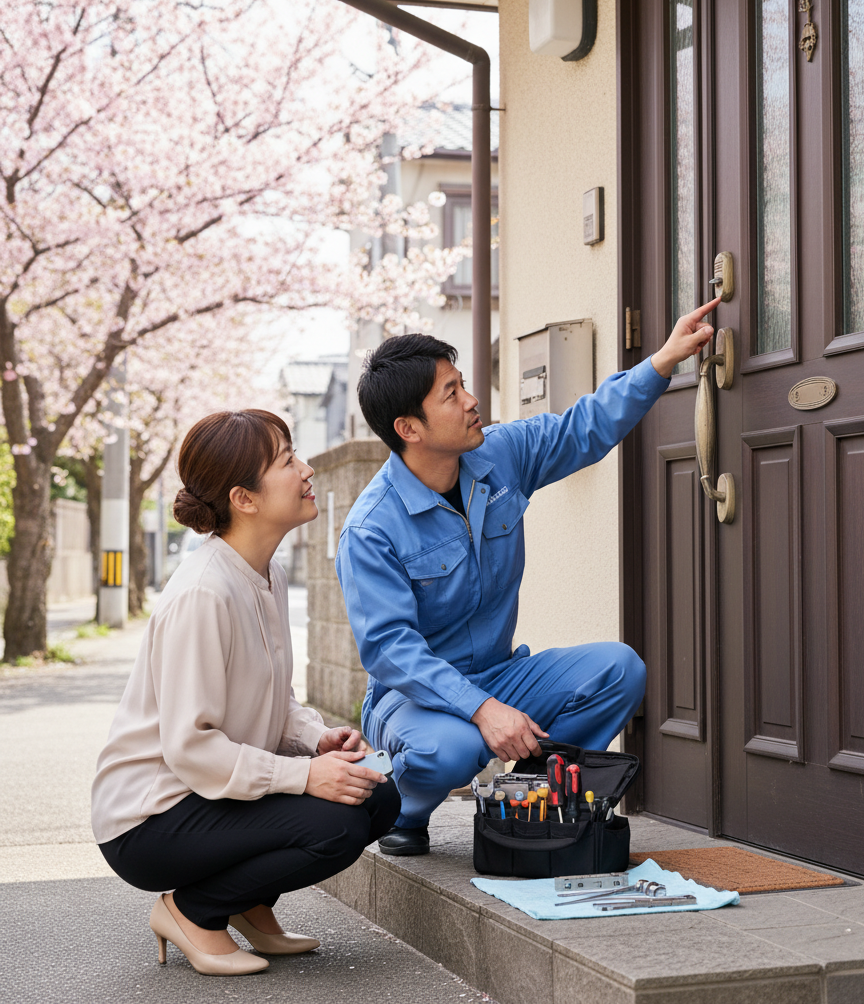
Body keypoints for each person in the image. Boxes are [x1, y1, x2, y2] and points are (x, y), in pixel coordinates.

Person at [336, 298, 720, 856]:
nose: (472, 401)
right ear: (408, 428)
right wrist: (482, 710)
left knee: (618, 670)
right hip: (412, 698)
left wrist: (663, 360)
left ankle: (535, 801)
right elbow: (391, 649)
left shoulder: (500, 456)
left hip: (499, 674)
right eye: (451, 394)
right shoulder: (371, 528)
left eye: (463, 384)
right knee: (450, 749)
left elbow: (583, 427)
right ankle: (404, 810)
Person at [92, 410, 400, 977]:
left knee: (376, 796)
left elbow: (273, 700)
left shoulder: (266, 573)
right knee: (338, 825)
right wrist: (305, 776)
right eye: (287, 461)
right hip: (151, 817)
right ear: (244, 498)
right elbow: (191, 748)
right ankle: (192, 911)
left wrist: (316, 741)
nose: (306, 470)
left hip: (209, 793)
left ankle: (248, 902)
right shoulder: (203, 594)